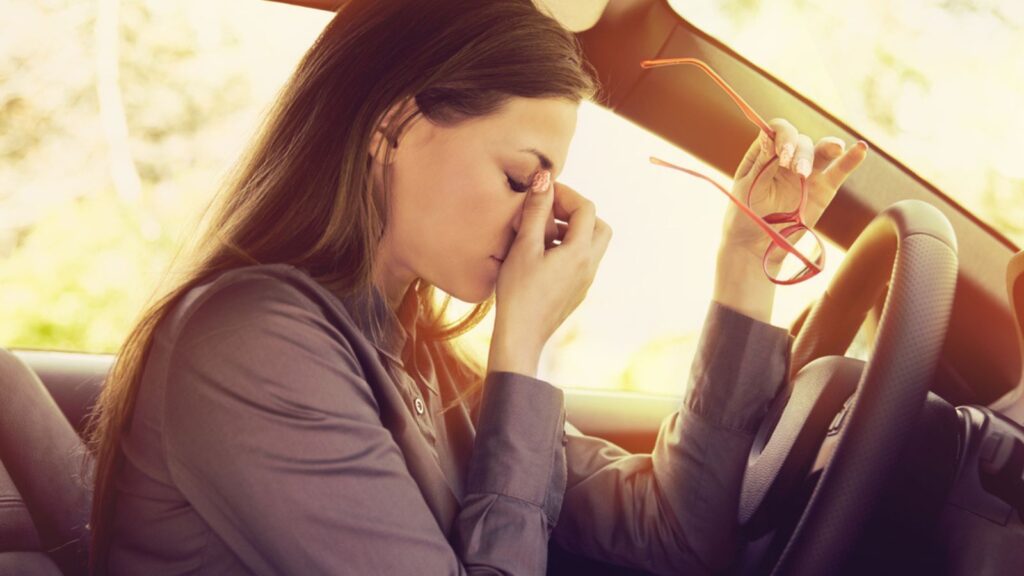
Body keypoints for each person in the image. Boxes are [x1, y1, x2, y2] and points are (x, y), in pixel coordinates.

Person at [83, 0, 868, 574]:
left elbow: (675, 537)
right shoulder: (252, 345)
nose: (540, 219)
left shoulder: (409, 350)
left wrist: (742, 264)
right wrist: (521, 345)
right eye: (521, 176)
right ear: (393, 127)